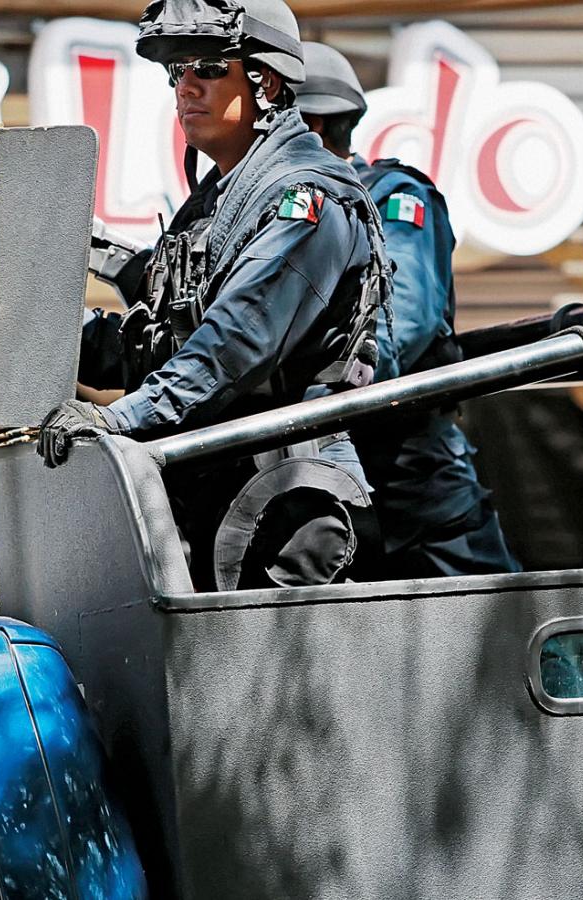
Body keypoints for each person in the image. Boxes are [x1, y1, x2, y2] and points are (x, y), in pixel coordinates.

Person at [38, 0, 392, 591]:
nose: (186, 87)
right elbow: (155, 344)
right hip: (214, 484)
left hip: (288, 506)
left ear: (266, 81)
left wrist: (114, 419)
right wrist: (30, 332)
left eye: (207, 68)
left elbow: (230, 347)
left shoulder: (307, 198)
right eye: (177, 72)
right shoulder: (215, 205)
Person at [294, 41, 519, 578]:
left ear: (312, 127)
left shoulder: (392, 197)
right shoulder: (280, 213)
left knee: (495, 620)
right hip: (315, 476)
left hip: (412, 474)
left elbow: (403, 321)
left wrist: (325, 388)